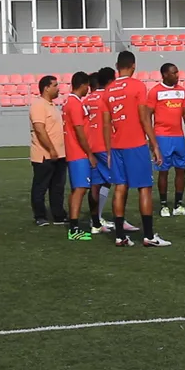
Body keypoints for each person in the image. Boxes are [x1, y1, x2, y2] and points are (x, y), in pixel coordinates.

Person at [103, 51, 170, 248]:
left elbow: (107, 125)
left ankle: (119, 236)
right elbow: (144, 118)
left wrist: (107, 151)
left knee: (119, 188)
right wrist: (155, 145)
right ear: (133, 65)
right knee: (144, 188)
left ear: (117, 66)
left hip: (116, 146)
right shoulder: (138, 86)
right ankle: (149, 236)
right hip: (135, 144)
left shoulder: (109, 90)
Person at [85, 69, 139, 235]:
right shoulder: (107, 97)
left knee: (97, 183)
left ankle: (95, 222)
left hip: (91, 145)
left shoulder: (87, 99)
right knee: (121, 182)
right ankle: (119, 220)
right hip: (105, 145)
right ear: (110, 81)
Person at [148, 63, 185, 217]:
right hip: (162, 136)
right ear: (164, 74)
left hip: (178, 137)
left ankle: (178, 205)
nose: (177, 75)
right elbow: (147, 115)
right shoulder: (155, 91)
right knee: (163, 171)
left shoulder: (181, 91)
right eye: (174, 73)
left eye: (177, 72)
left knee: (181, 170)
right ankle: (164, 205)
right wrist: (151, 138)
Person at [61, 71, 96, 241]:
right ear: (82, 85)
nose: (88, 90)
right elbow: (79, 130)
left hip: (74, 151)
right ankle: (74, 229)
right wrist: (89, 153)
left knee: (77, 188)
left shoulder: (70, 102)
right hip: (78, 152)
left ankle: (72, 224)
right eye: (87, 86)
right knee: (81, 189)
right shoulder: (74, 104)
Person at [29, 75, 67, 227]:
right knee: (41, 187)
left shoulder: (52, 106)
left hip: (59, 154)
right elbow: (39, 129)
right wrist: (51, 148)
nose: (58, 89)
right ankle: (40, 216)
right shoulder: (38, 105)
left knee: (58, 187)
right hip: (44, 155)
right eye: (55, 85)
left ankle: (58, 215)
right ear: (46, 88)